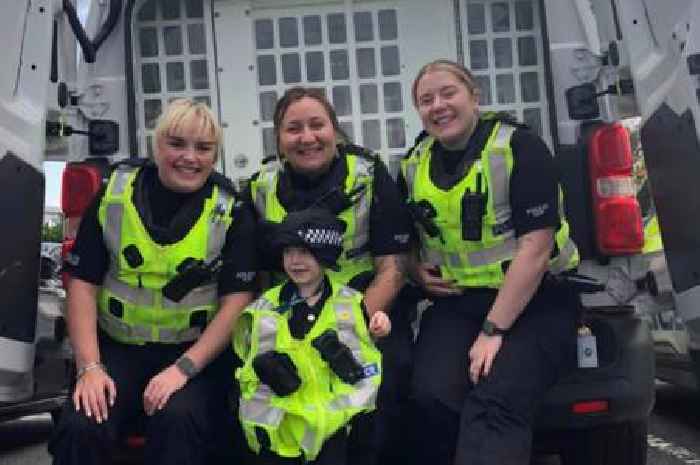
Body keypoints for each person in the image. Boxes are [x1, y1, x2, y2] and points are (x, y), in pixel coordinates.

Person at [48, 98, 258, 465]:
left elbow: (236, 304)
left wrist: (183, 370)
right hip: (118, 349)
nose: (189, 157)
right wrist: (90, 369)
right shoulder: (115, 193)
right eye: (177, 144)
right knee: (83, 424)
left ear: (215, 155)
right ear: (156, 145)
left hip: (193, 357)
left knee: (178, 420)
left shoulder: (233, 210)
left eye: (203, 148)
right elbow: (81, 283)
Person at [399, 59, 580, 465]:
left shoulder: (520, 147)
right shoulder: (413, 164)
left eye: (449, 93)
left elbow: (535, 248)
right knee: (431, 396)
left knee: (496, 400)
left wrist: (493, 330)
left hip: (537, 303)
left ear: (474, 96)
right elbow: (401, 237)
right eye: (425, 100)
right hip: (458, 305)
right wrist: (414, 269)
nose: (438, 106)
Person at [245, 86, 414, 464]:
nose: (307, 137)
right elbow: (253, 277)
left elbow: (394, 266)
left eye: (317, 125)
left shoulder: (369, 175)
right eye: (294, 129)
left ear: (335, 130)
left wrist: (346, 326)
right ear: (278, 139)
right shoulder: (259, 188)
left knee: (391, 379)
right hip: (286, 324)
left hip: (364, 314)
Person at [233, 209, 388, 465]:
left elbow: (365, 362)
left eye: (305, 252)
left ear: (325, 255)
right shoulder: (262, 308)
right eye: (288, 252)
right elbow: (246, 369)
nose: (295, 261)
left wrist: (379, 330)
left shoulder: (350, 303)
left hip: (333, 430)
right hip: (279, 435)